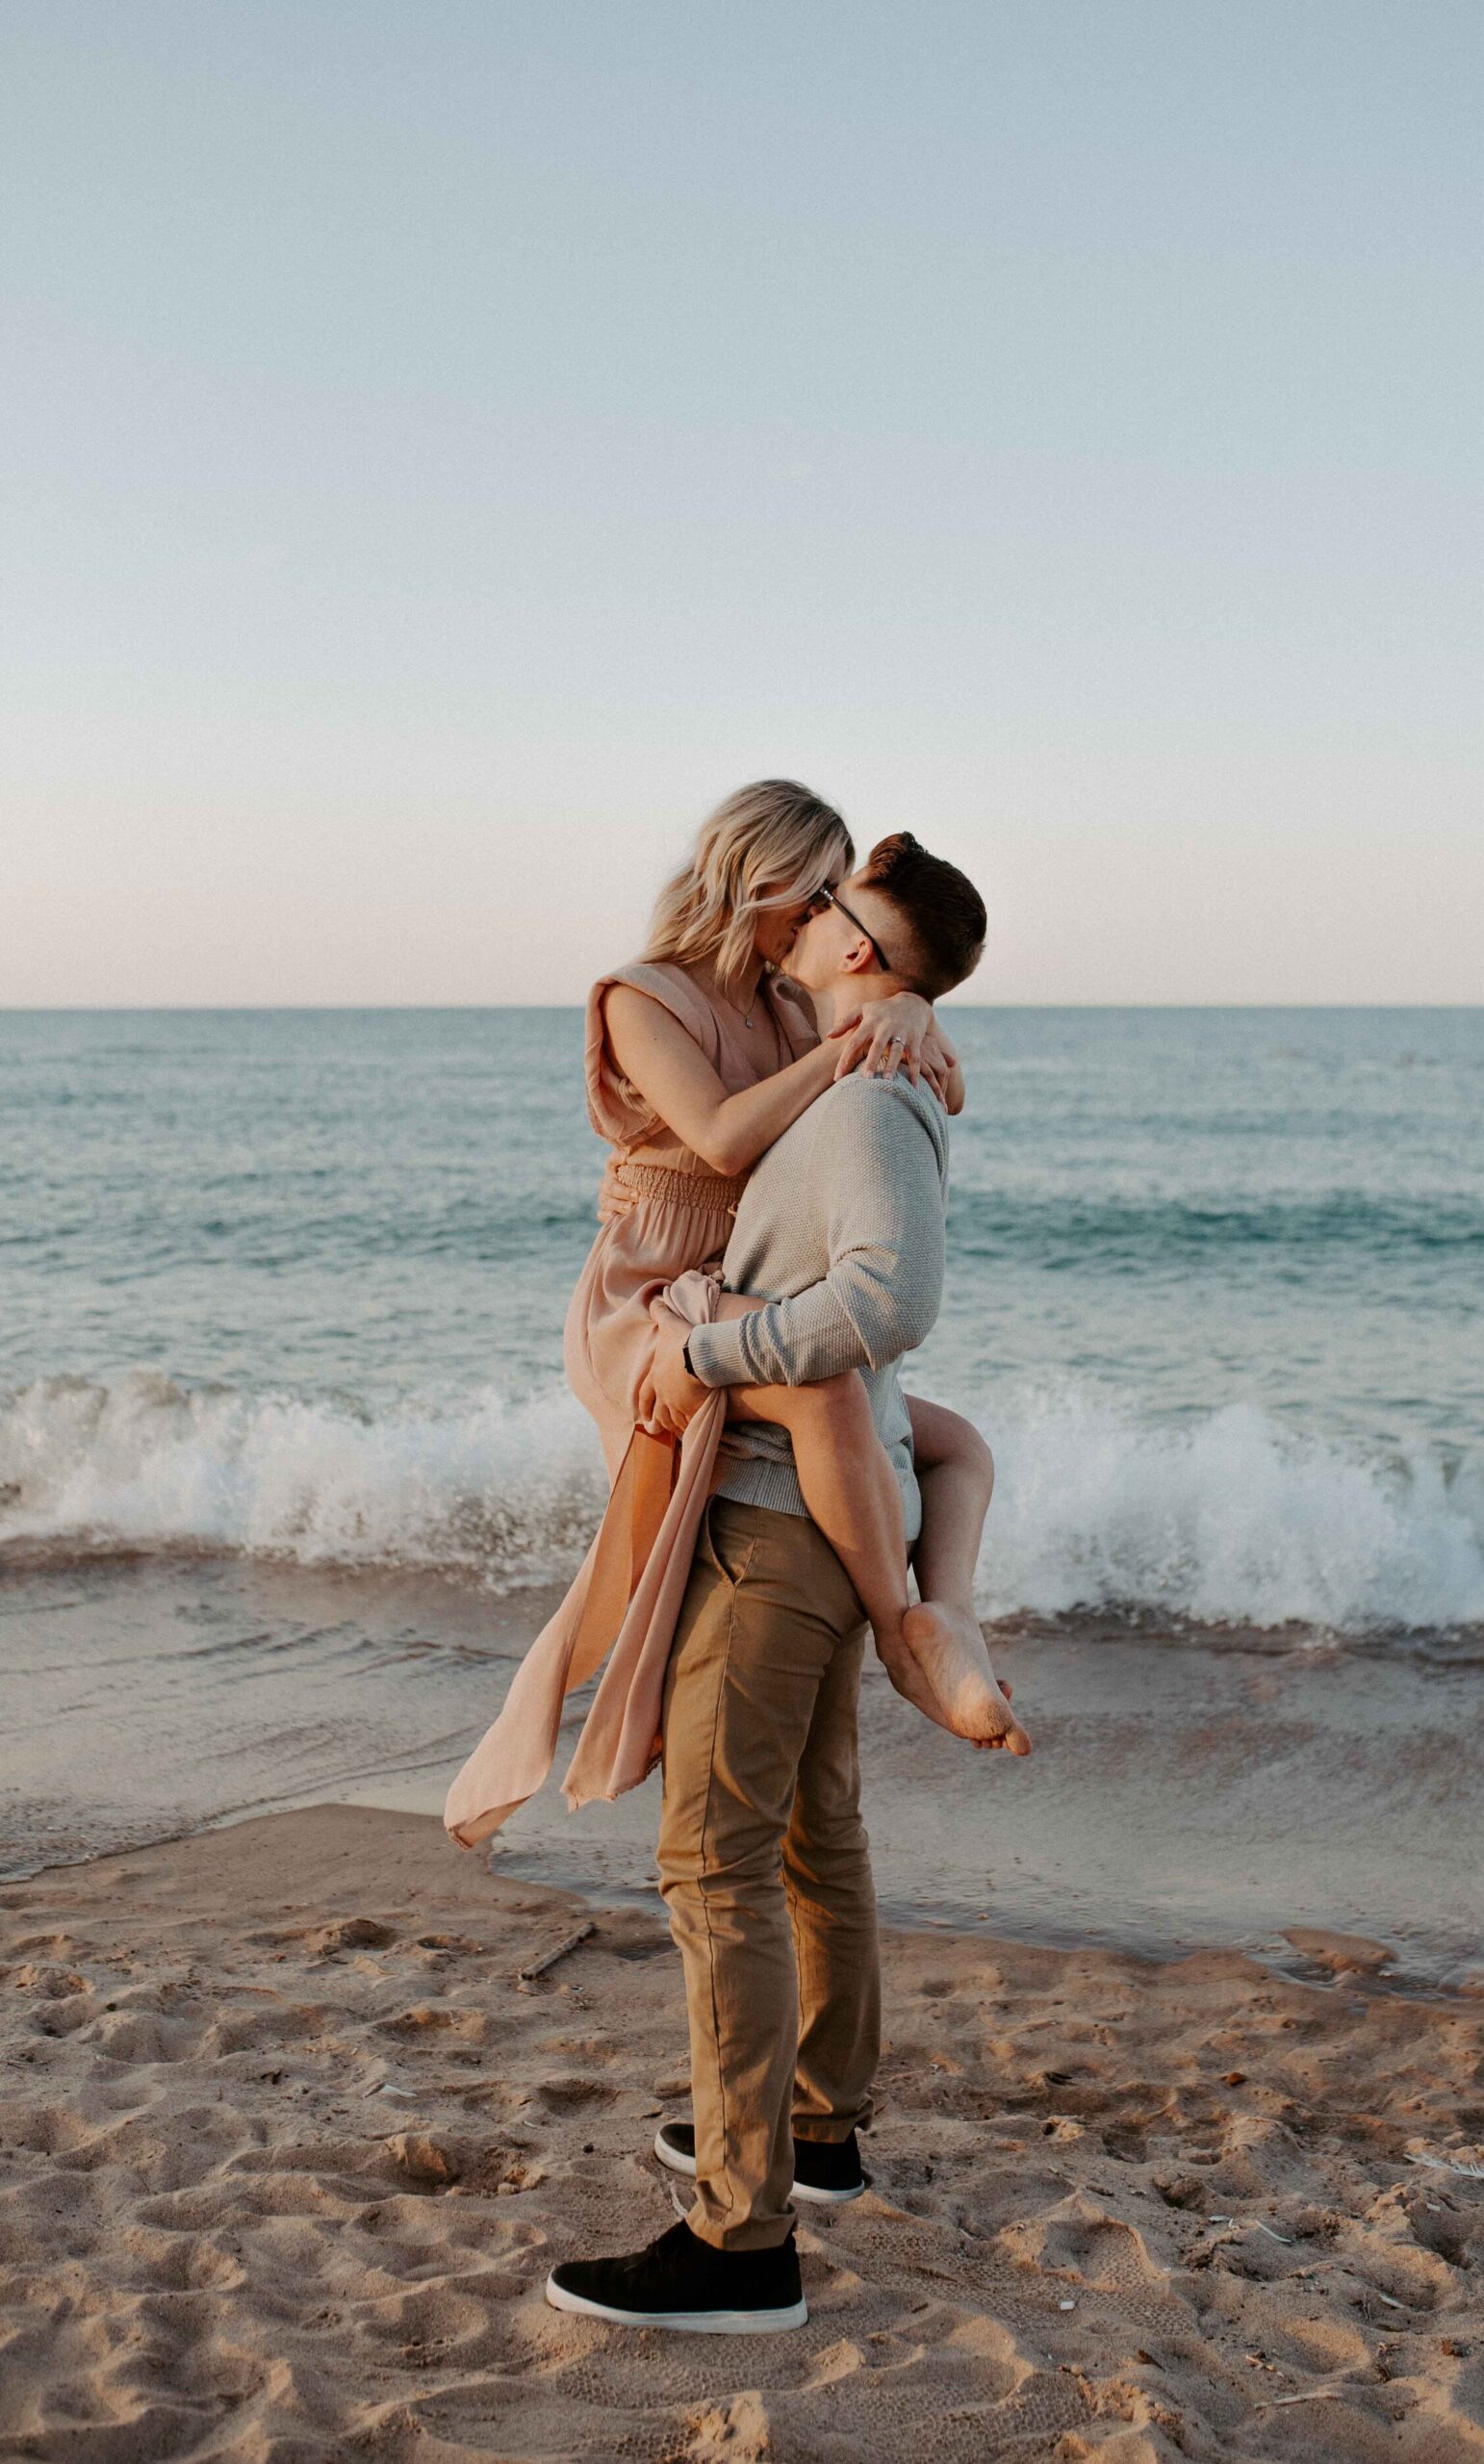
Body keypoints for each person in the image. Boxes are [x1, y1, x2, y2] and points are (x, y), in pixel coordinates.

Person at [546, 834, 1011, 2333]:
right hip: (804, 1516)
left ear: (860, 954)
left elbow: (892, 1297)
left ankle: (739, 2242)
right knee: (812, 1833)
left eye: (831, 910)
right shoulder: (865, 1072)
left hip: (766, 1529)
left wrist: (701, 1352)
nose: (808, 922)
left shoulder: (868, 1103)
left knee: (712, 1866)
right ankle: (816, 2133)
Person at [443, 783, 1024, 1854]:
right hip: (649, 1294)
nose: (813, 923)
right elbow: (715, 1137)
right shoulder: (642, 995)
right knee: (821, 1392)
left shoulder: (788, 998)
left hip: (734, 1281)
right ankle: (900, 1631)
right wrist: (850, 1039)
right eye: (807, 898)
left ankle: (942, 1615)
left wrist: (912, 1010)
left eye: (827, 908)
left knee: (951, 1444)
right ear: (755, 880)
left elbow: (940, 1091)